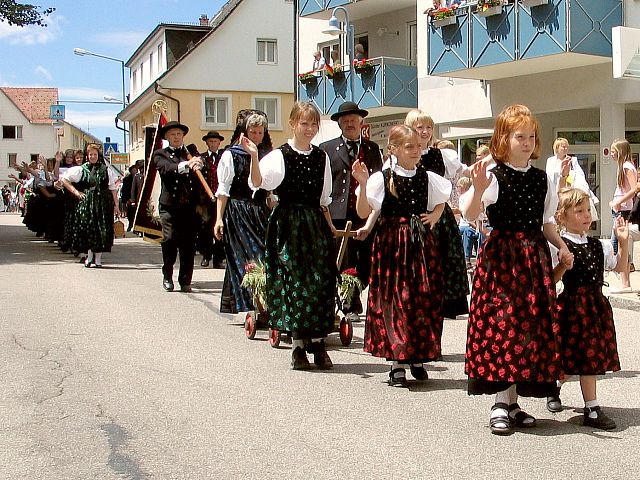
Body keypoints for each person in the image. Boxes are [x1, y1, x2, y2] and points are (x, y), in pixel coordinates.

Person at [461, 104, 570, 435]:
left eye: (531, 136)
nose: (526, 142)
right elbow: (468, 214)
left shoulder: (542, 179)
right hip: (503, 260)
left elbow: (547, 221)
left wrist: (562, 247)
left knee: (525, 330)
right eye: (519, 136)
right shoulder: (494, 177)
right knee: (503, 326)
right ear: (503, 139)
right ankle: (499, 401)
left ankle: (512, 403)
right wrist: (478, 188)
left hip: (533, 259)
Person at [352, 125, 451, 386]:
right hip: (392, 244)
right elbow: (364, 211)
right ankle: (397, 360)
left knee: (422, 298)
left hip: (419, 242)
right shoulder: (382, 178)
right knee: (396, 299)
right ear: (393, 149)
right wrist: (362, 185)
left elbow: (442, 200)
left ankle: (417, 354)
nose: (416, 151)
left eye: (418, 146)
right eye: (410, 147)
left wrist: (436, 215)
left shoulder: (427, 177)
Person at [249, 101, 336, 370]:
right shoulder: (279, 155)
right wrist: (253, 156)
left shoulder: (322, 157)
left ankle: (319, 344)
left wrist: (329, 226)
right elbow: (258, 182)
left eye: (313, 124)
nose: (309, 129)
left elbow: (324, 198)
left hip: (313, 222)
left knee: (320, 282)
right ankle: (298, 346)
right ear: (293, 123)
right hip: (288, 224)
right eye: (304, 123)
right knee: (294, 282)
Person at [546, 187, 624, 430]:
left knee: (588, 356)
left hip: (595, 307)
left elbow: (620, 268)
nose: (586, 215)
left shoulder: (599, 245)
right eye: (579, 211)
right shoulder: (560, 244)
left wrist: (623, 242)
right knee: (571, 354)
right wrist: (562, 266)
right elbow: (553, 280)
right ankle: (566, 394)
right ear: (562, 217)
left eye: (587, 210)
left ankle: (585, 404)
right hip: (571, 307)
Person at [319, 101, 383, 318]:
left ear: (361, 122)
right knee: (343, 260)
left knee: (366, 261)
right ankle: (350, 303)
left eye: (353, 120)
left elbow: (378, 181)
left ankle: (356, 293)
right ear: (339, 124)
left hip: (364, 213)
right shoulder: (327, 149)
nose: (349, 124)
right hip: (338, 214)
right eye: (345, 121)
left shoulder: (372, 149)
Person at [405, 109, 469, 319]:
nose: (425, 131)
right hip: (414, 219)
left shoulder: (442, 155)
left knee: (442, 266)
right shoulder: (401, 157)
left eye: (428, 127)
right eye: (420, 127)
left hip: (440, 219)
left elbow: (465, 171)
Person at [214, 111, 271, 314]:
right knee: (244, 255)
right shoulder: (231, 155)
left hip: (260, 211)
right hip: (237, 211)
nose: (256, 136)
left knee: (264, 253)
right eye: (253, 132)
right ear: (244, 132)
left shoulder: (267, 155)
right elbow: (223, 191)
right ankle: (252, 303)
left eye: (260, 132)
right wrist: (219, 219)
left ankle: (262, 302)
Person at [153, 120, 203, 292]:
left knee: (188, 244)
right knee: (170, 240)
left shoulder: (191, 153)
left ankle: (185, 280)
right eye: (173, 134)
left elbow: (200, 173)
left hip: (188, 207)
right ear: (167, 137)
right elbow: (166, 169)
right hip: (169, 207)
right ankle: (167, 274)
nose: (176, 137)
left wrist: (199, 165)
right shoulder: (161, 154)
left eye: (179, 134)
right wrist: (185, 165)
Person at [61, 143, 120, 267]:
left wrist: (116, 206)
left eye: (95, 154)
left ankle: (98, 258)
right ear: (87, 156)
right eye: (90, 154)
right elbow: (64, 180)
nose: (93, 156)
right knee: (88, 229)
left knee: (101, 229)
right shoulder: (82, 169)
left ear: (98, 155)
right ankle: (89, 257)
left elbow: (113, 188)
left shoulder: (106, 170)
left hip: (103, 204)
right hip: (88, 203)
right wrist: (76, 192)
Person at [608, 138, 637, 293]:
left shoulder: (626, 166)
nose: (611, 154)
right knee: (619, 244)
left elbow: (634, 189)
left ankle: (625, 282)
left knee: (618, 244)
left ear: (620, 151)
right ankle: (625, 281)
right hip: (620, 208)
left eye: (613, 151)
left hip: (623, 210)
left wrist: (618, 201)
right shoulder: (624, 166)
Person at [546, 137, 599, 220]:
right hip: (555, 192)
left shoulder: (573, 161)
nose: (565, 148)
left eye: (567, 146)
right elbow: (549, 176)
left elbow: (580, 176)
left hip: (569, 192)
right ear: (557, 147)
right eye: (563, 146)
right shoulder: (551, 161)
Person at [198, 130, 225, 269]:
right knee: (206, 228)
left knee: (220, 228)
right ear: (207, 143)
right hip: (206, 201)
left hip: (221, 198)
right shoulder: (201, 159)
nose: (213, 144)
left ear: (219, 143)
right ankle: (206, 255)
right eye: (210, 141)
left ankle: (219, 259)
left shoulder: (224, 158)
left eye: (215, 141)